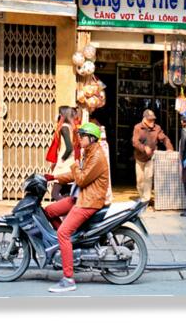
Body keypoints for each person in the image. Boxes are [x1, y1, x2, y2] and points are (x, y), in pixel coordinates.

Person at [43, 122, 110, 294]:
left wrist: (74, 162)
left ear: (92, 138)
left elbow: (80, 179)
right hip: (81, 197)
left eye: (82, 136)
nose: (79, 138)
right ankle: (67, 245)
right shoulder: (89, 152)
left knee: (63, 233)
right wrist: (53, 177)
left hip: (89, 201)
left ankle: (68, 279)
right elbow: (76, 175)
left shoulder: (97, 157)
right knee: (49, 211)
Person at [132, 109, 173, 206]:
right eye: (150, 120)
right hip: (139, 158)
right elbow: (135, 142)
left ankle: (145, 200)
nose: (152, 122)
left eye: (153, 119)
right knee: (140, 180)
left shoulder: (157, 128)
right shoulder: (137, 127)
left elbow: (164, 138)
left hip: (151, 158)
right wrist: (144, 148)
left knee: (148, 178)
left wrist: (169, 148)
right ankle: (142, 197)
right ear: (144, 119)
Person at [47, 106, 76, 200]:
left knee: (54, 194)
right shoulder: (70, 127)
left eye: (59, 113)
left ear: (63, 115)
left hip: (65, 164)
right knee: (66, 193)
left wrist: (61, 161)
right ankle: (68, 208)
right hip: (70, 162)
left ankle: (68, 206)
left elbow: (69, 148)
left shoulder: (64, 127)